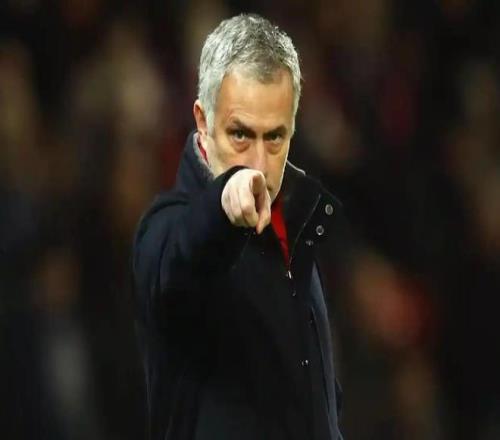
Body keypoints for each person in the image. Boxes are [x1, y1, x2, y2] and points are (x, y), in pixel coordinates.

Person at [132, 13, 346, 440]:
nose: (259, 164)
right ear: (202, 121)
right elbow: (183, 254)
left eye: (275, 137)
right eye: (240, 135)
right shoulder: (164, 230)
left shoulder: (297, 221)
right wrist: (223, 202)